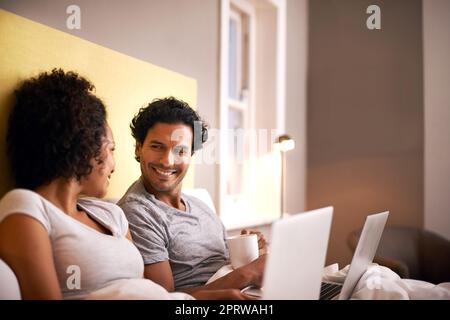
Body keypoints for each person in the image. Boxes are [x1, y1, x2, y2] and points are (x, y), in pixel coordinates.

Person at [0, 69, 248, 300]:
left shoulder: (110, 213)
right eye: (111, 149)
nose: (114, 165)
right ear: (81, 147)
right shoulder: (27, 206)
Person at [118, 97, 267, 294]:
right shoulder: (137, 212)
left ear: (191, 155)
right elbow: (164, 299)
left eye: (181, 150)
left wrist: (251, 251)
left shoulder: (199, 205)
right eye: (157, 146)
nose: (167, 161)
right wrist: (247, 274)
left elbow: (223, 262)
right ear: (139, 147)